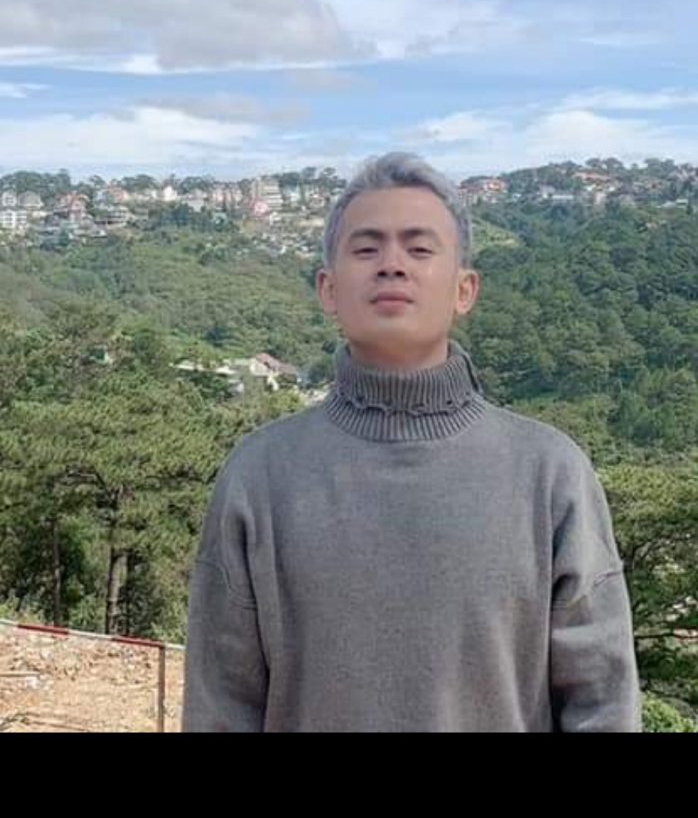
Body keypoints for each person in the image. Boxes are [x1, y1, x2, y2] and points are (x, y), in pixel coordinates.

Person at [182, 151, 641, 732]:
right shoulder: (259, 477)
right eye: (367, 249)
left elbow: (602, 703)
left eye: (420, 249)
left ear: (464, 289)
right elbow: (221, 707)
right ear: (328, 289)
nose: (392, 265)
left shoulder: (549, 475)